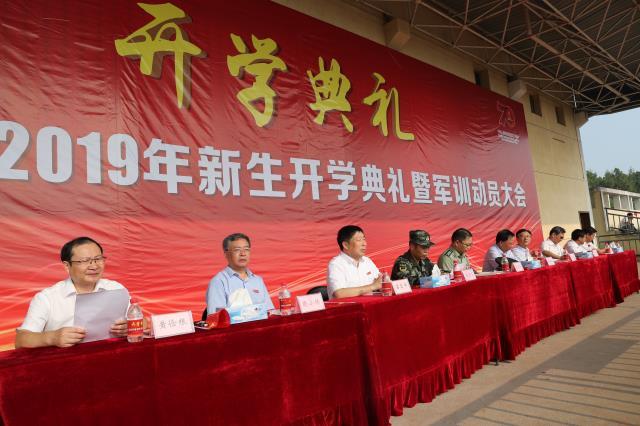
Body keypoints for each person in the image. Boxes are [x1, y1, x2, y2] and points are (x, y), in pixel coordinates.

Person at [16, 237, 129, 349]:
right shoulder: (47, 298)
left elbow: (137, 322)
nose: (94, 266)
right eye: (85, 261)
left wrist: (129, 327)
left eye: (98, 259)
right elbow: (21, 340)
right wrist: (53, 337)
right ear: (67, 266)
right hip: (64, 358)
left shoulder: (116, 289)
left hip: (110, 353)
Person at [206, 233, 275, 312]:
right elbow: (216, 317)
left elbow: (269, 311)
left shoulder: (257, 280)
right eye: (237, 250)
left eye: (246, 249)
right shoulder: (218, 282)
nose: (243, 254)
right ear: (226, 254)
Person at [327, 225, 381, 299]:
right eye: (359, 240)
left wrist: (384, 283)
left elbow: (379, 282)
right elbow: (339, 293)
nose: (364, 244)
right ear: (345, 245)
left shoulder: (367, 261)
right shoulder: (336, 264)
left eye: (364, 239)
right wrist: (373, 286)